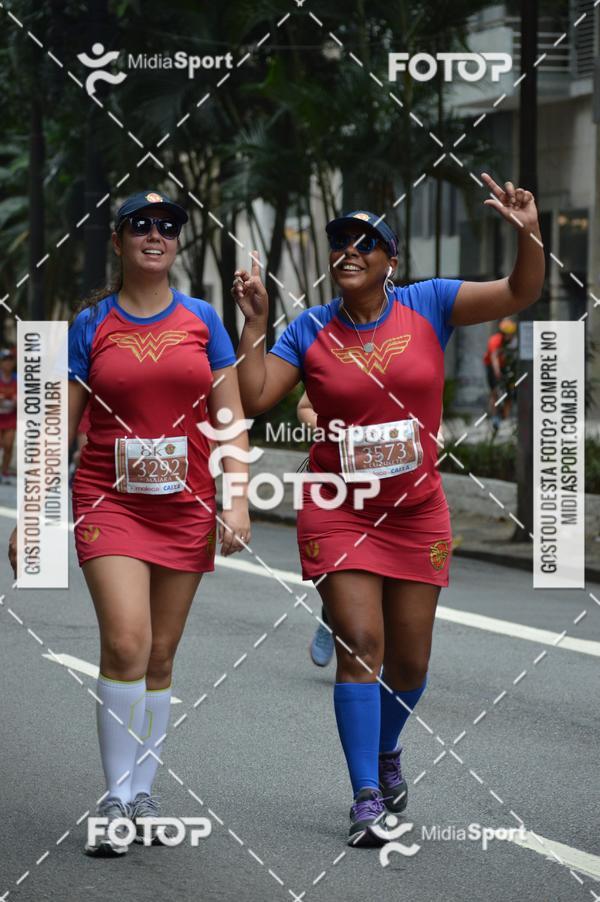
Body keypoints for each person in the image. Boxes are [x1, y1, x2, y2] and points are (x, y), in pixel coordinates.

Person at [233, 174, 544, 846]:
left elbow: (520, 292)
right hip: (338, 506)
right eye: (341, 241)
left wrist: (530, 235)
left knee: (409, 666)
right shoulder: (310, 328)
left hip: (415, 510)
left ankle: (386, 749)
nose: (350, 249)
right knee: (361, 644)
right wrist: (256, 323)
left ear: (390, 261)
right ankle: (366, 798)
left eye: (365, 242)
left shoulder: (430, 303)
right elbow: (254, 398)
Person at [9, 189, 251, 857]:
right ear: (117, 242)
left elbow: (229, 417)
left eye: (167, 226)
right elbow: (58, 427)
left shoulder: (204, 320)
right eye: (139, 225)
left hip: (185, 504)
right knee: (126, 642)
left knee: (161, 654)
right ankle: (115, 799)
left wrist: (236, 499)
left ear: (177, 242)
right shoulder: (91, 324)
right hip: (108, 502)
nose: (155, 234)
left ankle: (143, 792)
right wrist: (32, 514)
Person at [298, 391, 335, 667]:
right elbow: (305, 408)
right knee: (342, 566)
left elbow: (432, 415)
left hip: (399, 490)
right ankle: (331, 618)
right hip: (337, 486)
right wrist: (334, 434)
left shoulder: (417, 367)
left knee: (388, 573)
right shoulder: (338, 363)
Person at [483, 317, 518, 433]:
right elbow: (494, 358)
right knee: (494, 391)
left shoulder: (513, 341)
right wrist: (497, 372)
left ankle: (504, 415)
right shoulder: (495, 340)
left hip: (505, 366)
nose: (509, 336)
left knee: (510, 391)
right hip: (492, 366)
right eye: (507, 334)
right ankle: (495, 417)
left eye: (511, 334)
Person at [0, 348, 17, 483]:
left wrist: (18, 400)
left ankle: (4, 472)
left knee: (9, 445)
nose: (8, 363)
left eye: (10, 360)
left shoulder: (18, 379)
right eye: (5, 360)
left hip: (10, 416)